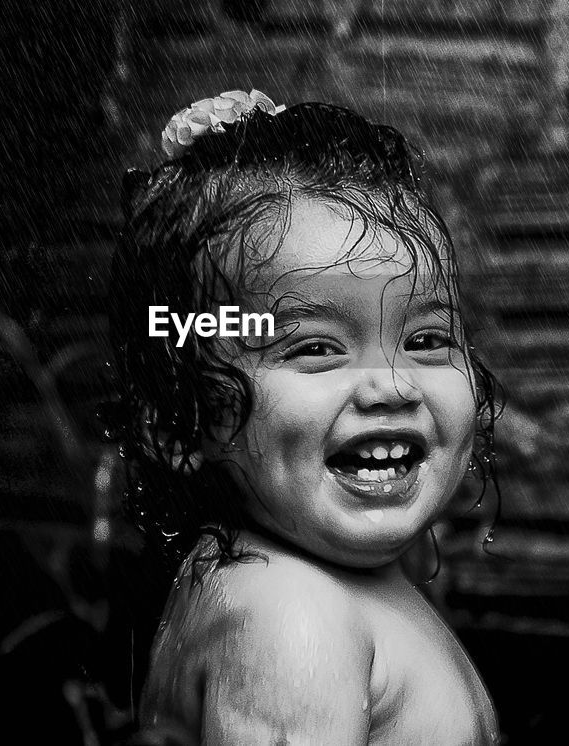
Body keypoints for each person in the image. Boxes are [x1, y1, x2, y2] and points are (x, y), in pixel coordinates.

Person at [106, 89, 501, 744]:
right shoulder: (291, 619)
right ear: (181, 423)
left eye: (427, 340)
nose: (391, 385)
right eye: (316, 348)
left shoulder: (319, 579)